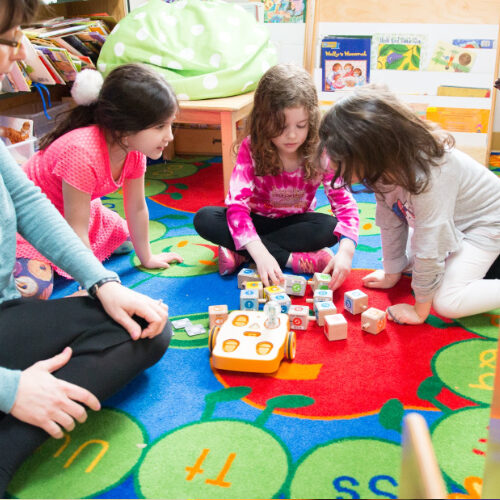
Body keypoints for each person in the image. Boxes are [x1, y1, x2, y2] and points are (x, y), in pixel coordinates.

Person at [0, 1, 172, 495]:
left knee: (146, 326)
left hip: (6, 312)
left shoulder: (130, 155)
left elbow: (31, 203)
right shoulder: (80, 151)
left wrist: (104, 284)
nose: (20, 53)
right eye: (12, 39)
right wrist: (12, 389)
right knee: (45, 284)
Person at [318, 84, 500, 325]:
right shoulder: (383, 166)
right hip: (445, 223)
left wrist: (420, 309)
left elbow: (430, 244)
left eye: (340, 156)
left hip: (486, 226)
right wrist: (392, 272)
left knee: (446, 301)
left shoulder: (430, 175)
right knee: (413, 263)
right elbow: (391, 219)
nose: (330, 162)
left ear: (372, 150)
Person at [15, 63, 183, 299]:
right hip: (32, 221)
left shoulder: (133, 148)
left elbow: (136, 207)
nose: (170, 136)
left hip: (76, 212)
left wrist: (147, 257)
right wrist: (94, 283)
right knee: (34, 289)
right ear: (125, 127)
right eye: (160, 126)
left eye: (170, 124)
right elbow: (77, 228)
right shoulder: (81, 152)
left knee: (126, 239)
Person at [194, 64, 359, 289]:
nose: (292, 135)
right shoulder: (251, 148)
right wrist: (261, 253)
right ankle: (291, 260)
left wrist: (347, 252)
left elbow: (345, 206)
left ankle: (241, 255)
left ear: (311, 120)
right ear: (263, 120)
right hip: (255, 220)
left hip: (295, 225)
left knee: (331, 228)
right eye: (281, 126)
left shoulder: (321, 150)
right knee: (205, 218)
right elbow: (236, 206)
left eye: (301, 126)